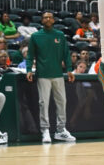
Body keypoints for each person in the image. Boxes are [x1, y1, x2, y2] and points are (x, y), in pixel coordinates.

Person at [26, 12, 76, 143]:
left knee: (62, 102)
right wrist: (28, 70)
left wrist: (69, 70)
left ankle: (61, 130)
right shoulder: (35, 36)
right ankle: (45, 130)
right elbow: (30, 55)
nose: (47, 19)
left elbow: (66, 53)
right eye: (45, 17)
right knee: (43, 103)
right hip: (43, 75)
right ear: (41, 20)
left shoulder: (60, 35)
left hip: (58, 75)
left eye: (50, 17)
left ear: (53, 20)